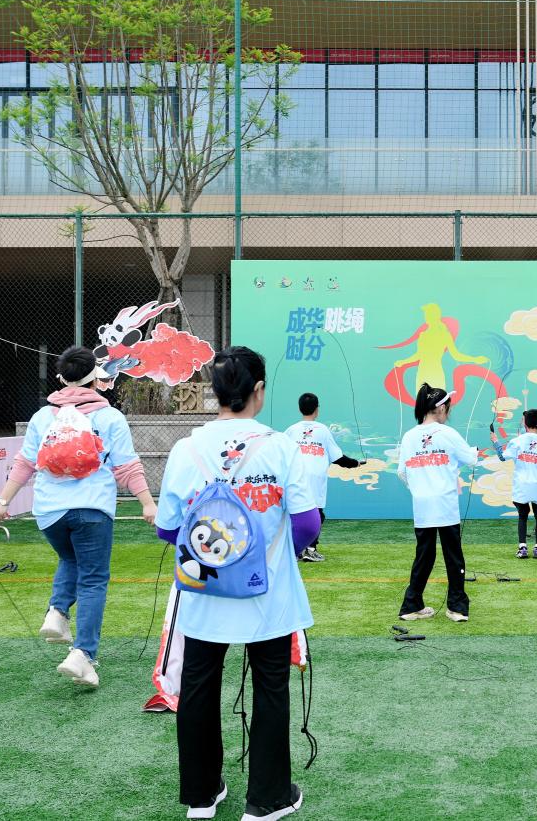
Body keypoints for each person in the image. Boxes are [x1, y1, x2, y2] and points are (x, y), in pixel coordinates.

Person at [155, 346, 320, 820]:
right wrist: (275, 553)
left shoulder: (187, 449)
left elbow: (168, 528)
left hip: (203, 588)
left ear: (215, 391)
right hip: (268, 592)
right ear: (258, 390)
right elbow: (307, 525)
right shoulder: (281, 447)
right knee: (270, 687)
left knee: (198, 684)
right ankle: (266, 800)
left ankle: (202, 796)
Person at [0, 346, 156, 689]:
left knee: (70, 559)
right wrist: (147, 503)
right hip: (92, 508)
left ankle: (57, 611)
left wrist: (2, 502)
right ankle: (83, 654)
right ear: (96, 377)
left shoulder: (42, 417)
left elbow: (24, 464)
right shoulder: (109, 417)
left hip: (49, 510)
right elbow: (127, 466)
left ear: (61, 378)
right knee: (93, 579)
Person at [398, 383, 478, 623]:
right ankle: (457, 608)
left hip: (422, 505)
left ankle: (411, 606)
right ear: (442, 408)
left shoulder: (409, 436)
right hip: (445, 504)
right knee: (453, 556)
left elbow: (402, 472)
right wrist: (473, 451)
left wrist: (420, 489)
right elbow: (471, 459)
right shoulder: (448, 433)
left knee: (424, 556)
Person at [284, 392, 365, 563]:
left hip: (295, 479)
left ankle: (296, 550)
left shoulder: (291, 430)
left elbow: (281, 455)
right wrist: (356, 463)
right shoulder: (322, 430)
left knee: (295, 514)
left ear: (300, 408)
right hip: (315, 480)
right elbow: (338, 458)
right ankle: (310, 549)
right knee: (317, 515)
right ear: (317, 409)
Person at [490, 408, 537, 559]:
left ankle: (522, 548)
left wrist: (495, 441)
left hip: (521, 486)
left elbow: (502, 457)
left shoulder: (516, 442)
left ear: (525, 423)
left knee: (522, 516)